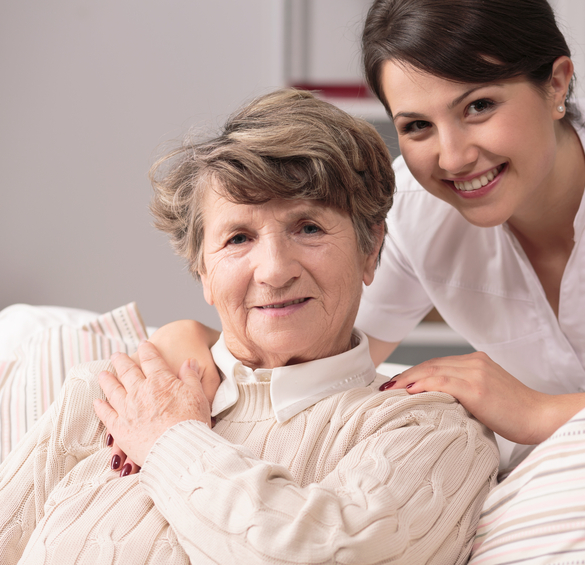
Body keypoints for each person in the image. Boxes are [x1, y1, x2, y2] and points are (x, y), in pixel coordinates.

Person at [143, 0, 585, 472]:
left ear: (556, 83)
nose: (450, 157)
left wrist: (537, 413)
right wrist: (189, 342)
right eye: (416, 125)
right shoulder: (415, 206)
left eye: (478, 107)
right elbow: (308, 347)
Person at [0, 88, 499, 564]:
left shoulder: (427, 429)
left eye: (308, 227)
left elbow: (337, 555)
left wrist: (169, 441)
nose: (275, 269)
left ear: (371, 249)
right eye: (238, 237)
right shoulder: (111, 395)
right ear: (202, 270)